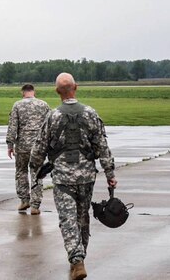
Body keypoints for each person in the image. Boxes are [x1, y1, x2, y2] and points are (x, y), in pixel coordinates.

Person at [30, 73, 117, 280]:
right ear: (75, 87)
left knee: (68, 220)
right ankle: (80, 258)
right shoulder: (91, 114)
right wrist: (110, 174)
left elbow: (39, 148)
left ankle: (77, 260)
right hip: (87, 177)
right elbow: (103, 147)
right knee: (82, 217)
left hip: (63, 179)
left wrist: (34, 167)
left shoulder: (52, 116)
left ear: (57, 91)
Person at [6, 84, 50, 214]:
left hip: (22, 147)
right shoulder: (44, 105)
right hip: (38, 146)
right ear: (33, 92)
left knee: (21, 172)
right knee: (37, 173)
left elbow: (13, 126)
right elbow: (50, 125)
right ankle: (35, 205)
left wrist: (10, 144)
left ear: (23, 92)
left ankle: (24, 200)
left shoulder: (17, 105)